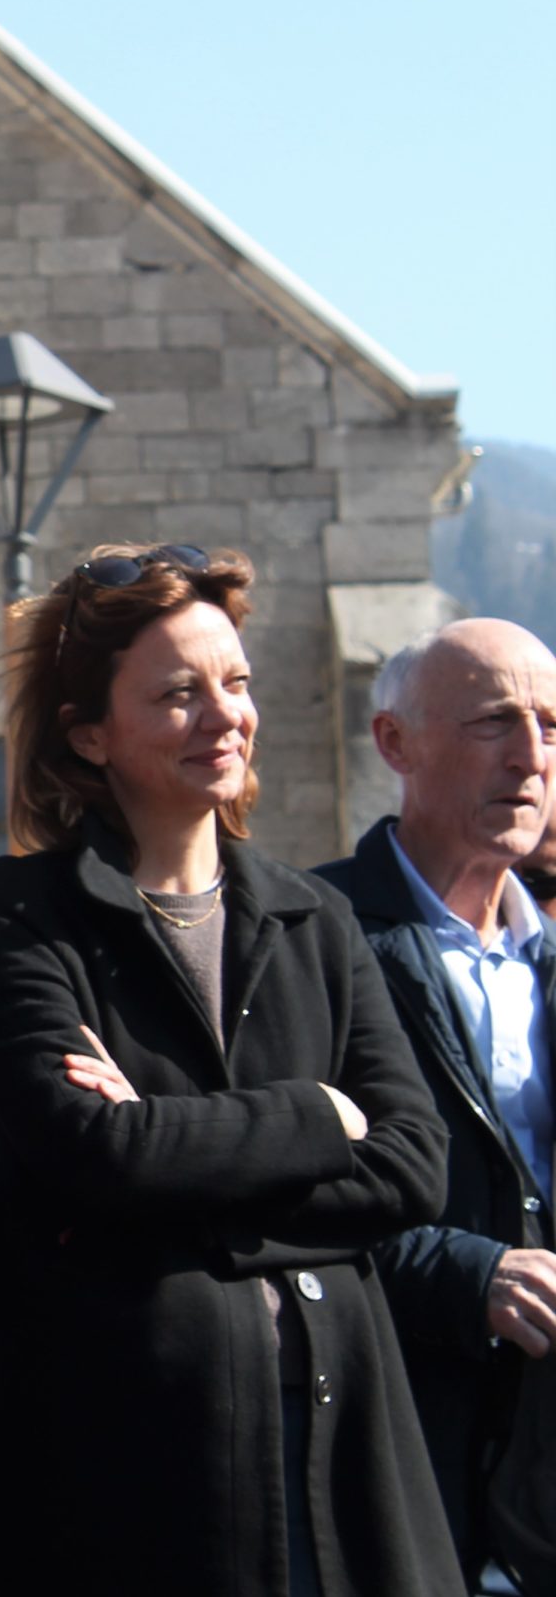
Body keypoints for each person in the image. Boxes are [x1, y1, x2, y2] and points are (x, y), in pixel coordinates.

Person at [0, 542, 458, 1596]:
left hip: (343, 1426)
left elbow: (414, 1165)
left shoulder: (312, 913)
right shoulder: (16, 916)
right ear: (91, 733)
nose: (223, 715)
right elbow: (93, 1153)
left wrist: (175, 1154)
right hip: (139, 1460)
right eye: (177, 695)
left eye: (234, 683)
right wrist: (319, 1115)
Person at [314, 618, 556, 1588]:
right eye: (496, 721)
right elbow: (280, 1197)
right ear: (394, 744)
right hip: (404, 1448)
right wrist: (468, 1276)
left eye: (551, 724)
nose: (532, 756)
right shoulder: (311, 934)